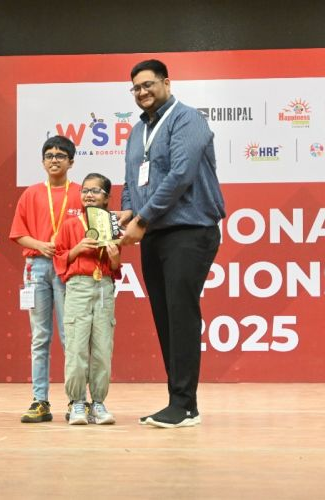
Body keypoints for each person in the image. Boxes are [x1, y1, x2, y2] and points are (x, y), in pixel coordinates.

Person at [119, 59, 226, 428]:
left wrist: (142, 218)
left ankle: (185, 406)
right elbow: (130, 178)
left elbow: (181, 174)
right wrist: (128, 210)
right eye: (136, 88)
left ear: (166, 83)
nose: (142, 92)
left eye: (148, 84)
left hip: (189, 229)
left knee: (180, 314)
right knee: (165, 317)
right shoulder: (137, 131)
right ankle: (177, 402)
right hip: (154, 232)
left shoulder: (187, 119)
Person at [10, 135, 84, 423]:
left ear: (71, 162)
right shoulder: (31, 194)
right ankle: (39, 400)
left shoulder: (80, 193)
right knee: (40, 337)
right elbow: (18, 233)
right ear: (43, 162)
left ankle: (76, 401)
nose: (55, 160)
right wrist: (41, 245)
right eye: (50, 155)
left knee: (70, 337)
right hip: (37, 267)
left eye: (61, 155)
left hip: (69, 267)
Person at [54, 173, 122, 425]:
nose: (89, 195)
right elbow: (59, 259)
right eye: (85, 190)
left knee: (103, 349)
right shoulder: (70, 225)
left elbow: (115, 267)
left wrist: (114, 256)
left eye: (95, 191)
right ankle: (77, 403)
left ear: (107, 198)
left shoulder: (112, 224)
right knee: (76, 347)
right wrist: (77, 249)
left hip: (104, 287)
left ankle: (99, 403)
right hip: (78, 286)